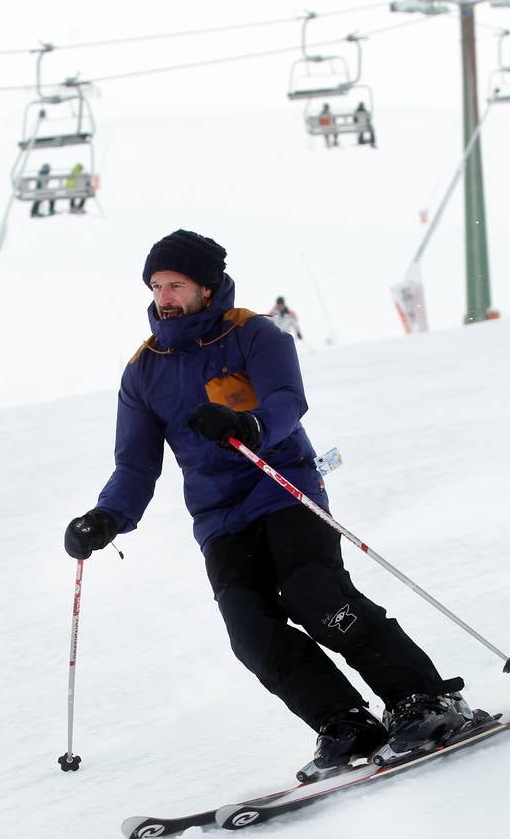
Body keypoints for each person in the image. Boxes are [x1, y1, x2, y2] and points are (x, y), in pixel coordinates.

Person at [63, 229, 479, 778]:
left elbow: (287, 400)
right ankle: (346, 721)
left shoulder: (254, 335)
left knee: (316, 596)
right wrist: (105, 517)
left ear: (207, 288)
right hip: (218, 518)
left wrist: (248, 425)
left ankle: (424, 699)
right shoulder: (143, 370)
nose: (163, 296)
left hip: (282, 486)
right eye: (156, 285)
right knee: (251, 632)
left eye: (176, 285)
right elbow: (137, 466)